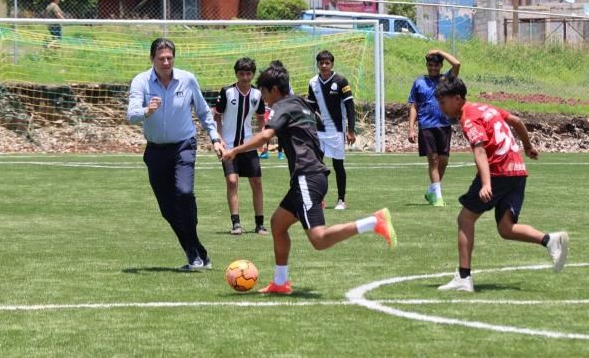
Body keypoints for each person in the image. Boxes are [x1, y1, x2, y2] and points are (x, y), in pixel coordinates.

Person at [221, 64, 396, 294]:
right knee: (278, 224)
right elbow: (315, 135)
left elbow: (265, 135)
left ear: (274, 89)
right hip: (311, 177)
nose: (263, 99)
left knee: (319, 239)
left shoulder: (281, 106)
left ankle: (374, 221)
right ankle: (280, 282)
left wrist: (235, 151)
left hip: (307, 177)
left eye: (264, 93)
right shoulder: (302, 104)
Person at [434, 75, 569, 292]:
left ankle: (463, 277)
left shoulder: (468, 119)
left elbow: (479, 150)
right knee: (506, 228)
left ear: (457, 99)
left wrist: (486, 183)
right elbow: (516, 120)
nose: (441, 107)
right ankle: (549, 240)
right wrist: (527, 146)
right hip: (517, 170)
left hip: (499, 171)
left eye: (443, 102)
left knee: (465, 218)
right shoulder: (485, 108)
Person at [127, 38, 225, 271]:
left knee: (184, 193)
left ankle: (194, 254)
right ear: (152, 59)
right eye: (161, 58)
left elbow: (203, 111)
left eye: (169, 57)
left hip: (184, 146)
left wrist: (215, 138)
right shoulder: (141, 81)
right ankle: (197, 250)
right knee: (168, 209)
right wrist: (147, 111)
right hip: (155, 151)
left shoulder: (187, 79)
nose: (165, 61)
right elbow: (131, 115)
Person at [214, 57, 268, 235]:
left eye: (248, 74)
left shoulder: (257, 94)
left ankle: (259, 224)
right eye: (241, 74)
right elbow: (217, 117)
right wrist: (219, 138)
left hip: (248, 145)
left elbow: (261, 117)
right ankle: (236, 223)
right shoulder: (227, 92)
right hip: (228, 146)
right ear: (236, 74)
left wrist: (262, 137)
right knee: (231, 181)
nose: (245, 77)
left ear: (253, 75)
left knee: (257, 182)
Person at [407, 49, 461, 207]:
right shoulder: (418, 82)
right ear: (427, 65)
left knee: (443, 161)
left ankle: (432, 190)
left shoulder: (446, 80)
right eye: (430, 65)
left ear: (440, 66)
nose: (433, 68)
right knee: (433, 159)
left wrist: (439, 51)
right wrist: (411, 128)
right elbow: (413, 106)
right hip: (426, 125)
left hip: (444, 124)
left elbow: (457, 64)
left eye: (436, 65)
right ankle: (438, 196)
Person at [306, 50, 356, 210]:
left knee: (338, 165)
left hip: (336, 131)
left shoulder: (341, 81)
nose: (324, 66)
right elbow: (311, 107)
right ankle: (318, 199)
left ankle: (341, 199)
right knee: (317, 165)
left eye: (327, 63)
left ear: (332, 64)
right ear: (318, 64)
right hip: (319, 131)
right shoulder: (313, 82)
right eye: (321, 63)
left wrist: (351, 130)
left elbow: (350, 106)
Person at [260, 60, 292, 160]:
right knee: (268, 129)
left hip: (281, 110)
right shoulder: (267, 83)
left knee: (279, 132)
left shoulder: (286, 85)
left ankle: (280, 151)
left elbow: (290, 96)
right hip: (268, 109)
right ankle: (265, 151)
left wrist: (237, 150)